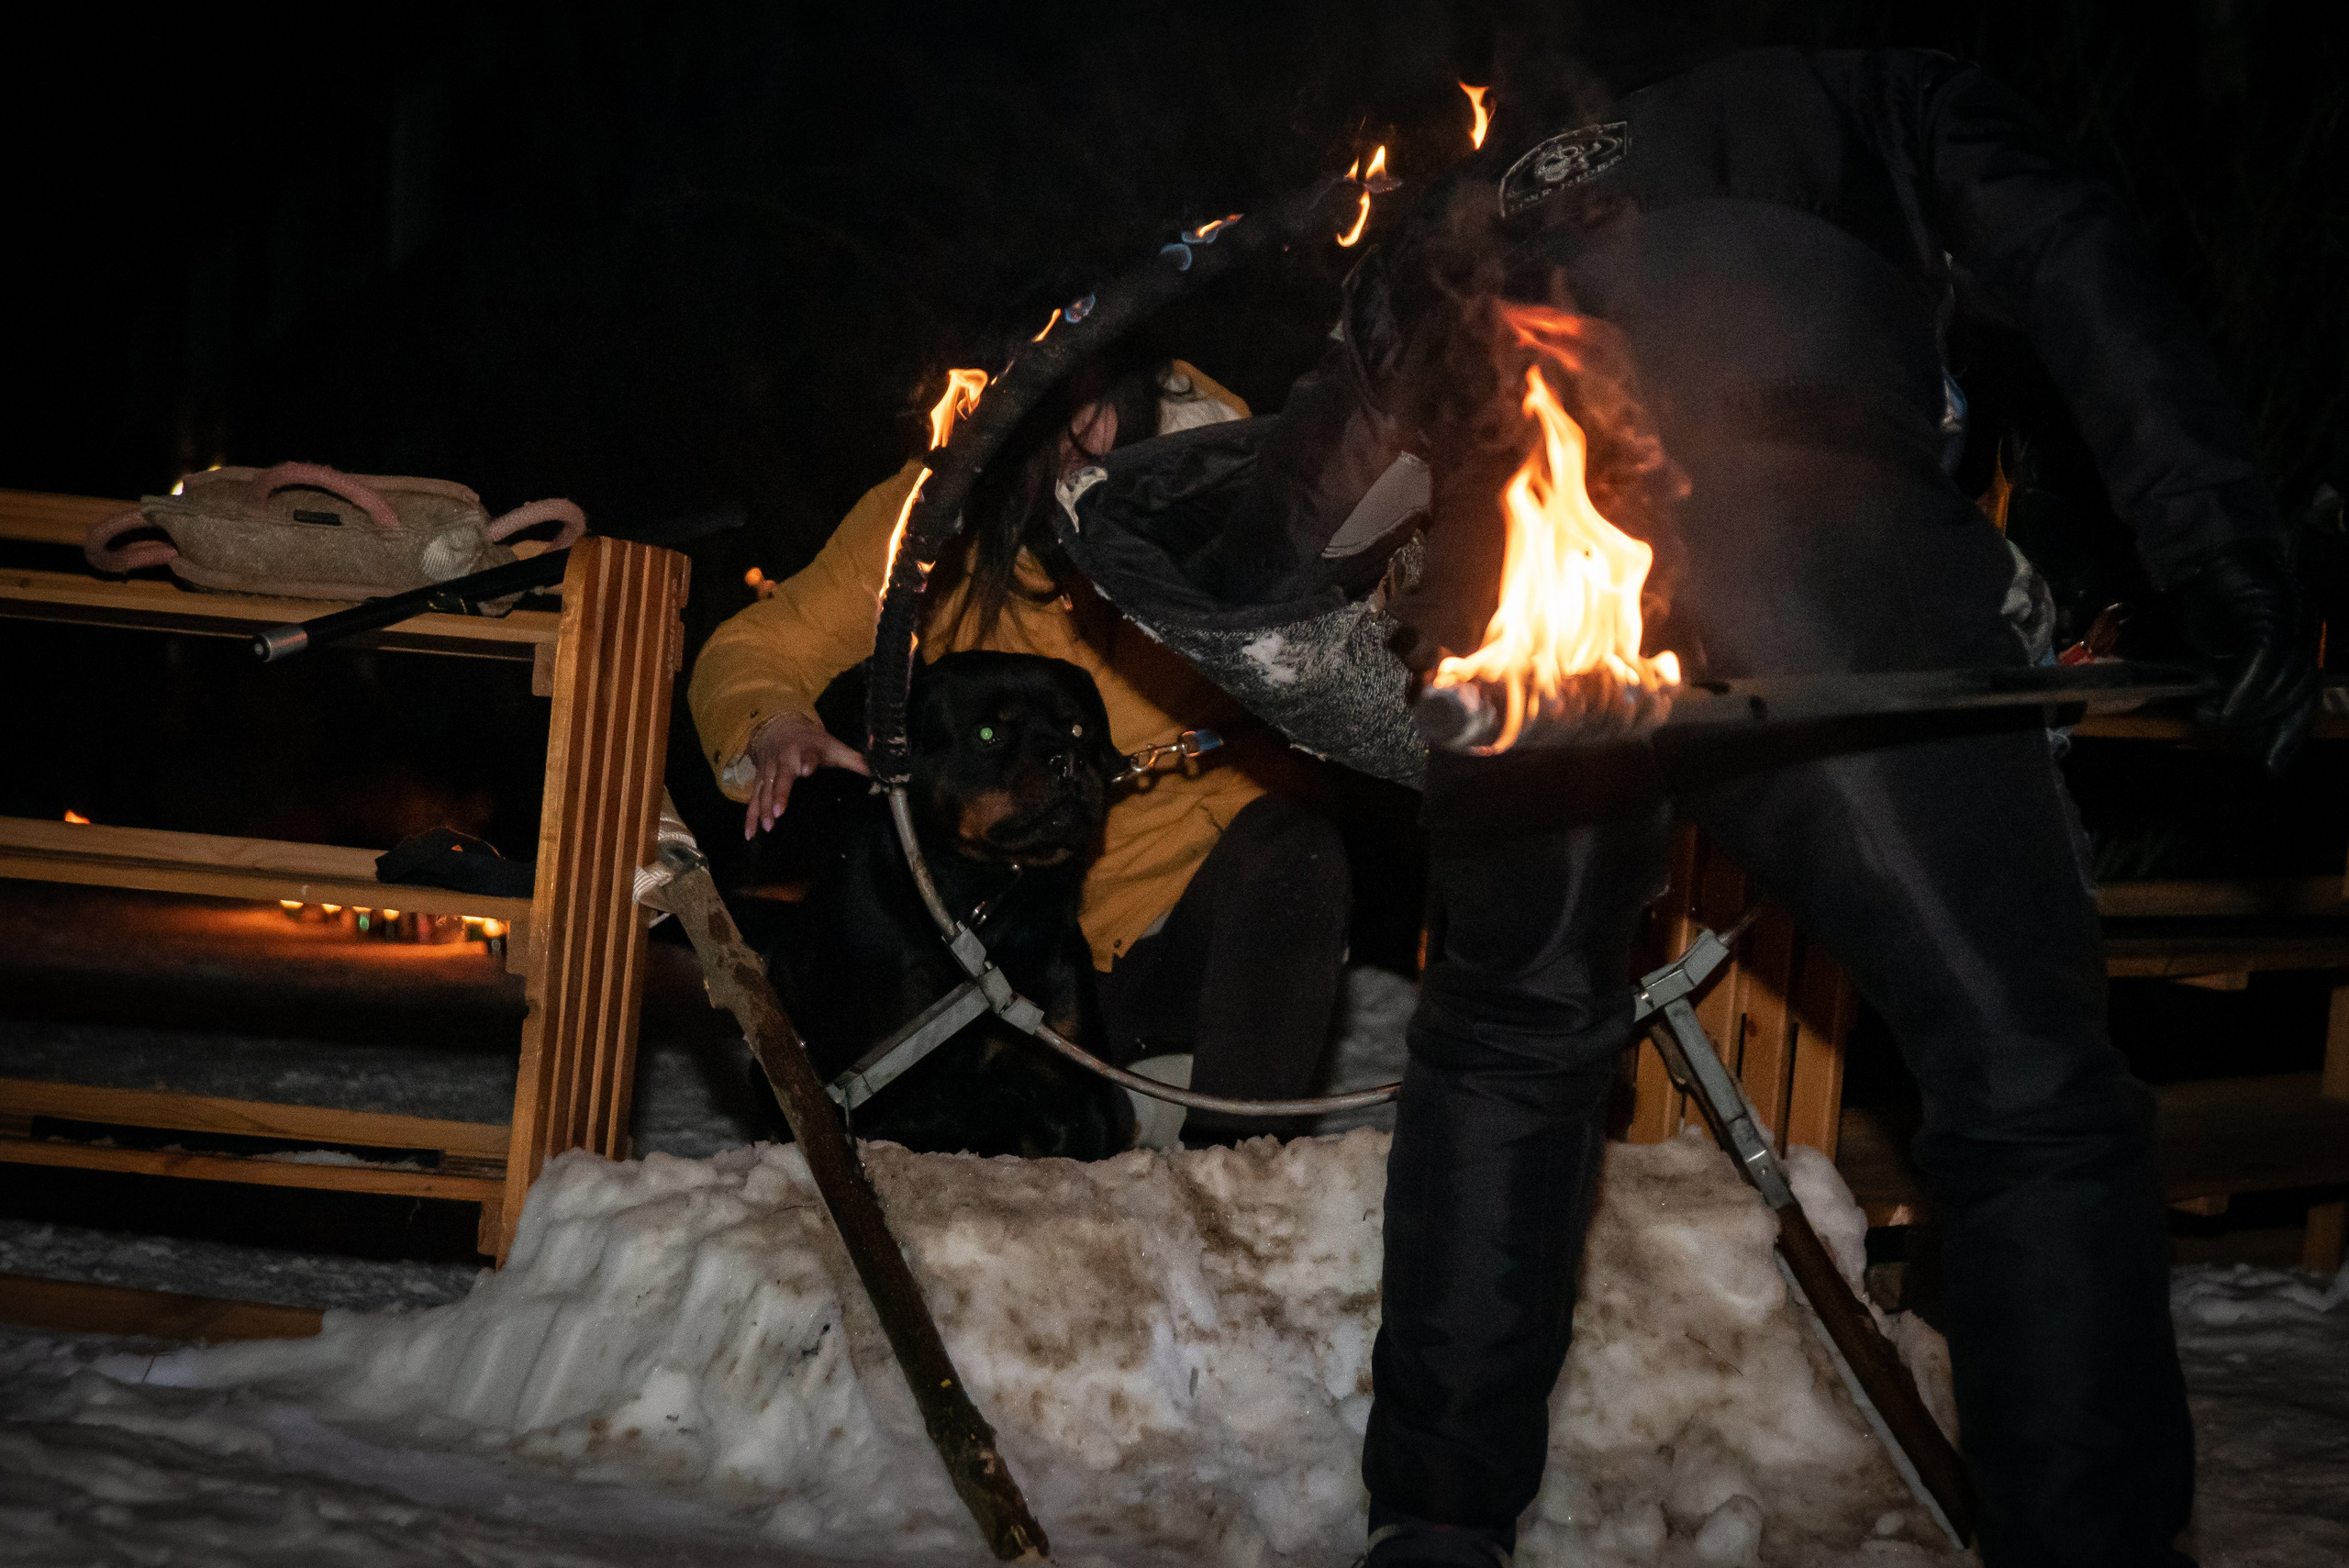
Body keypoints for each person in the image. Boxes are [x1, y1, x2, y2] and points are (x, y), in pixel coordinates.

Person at [1052, 8, 2314, 1564]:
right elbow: (2077, 260)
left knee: (1508, 1041)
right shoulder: (1871, 86)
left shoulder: (1467, 196)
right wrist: (2222, 545)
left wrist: (1136, 537)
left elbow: (1298, 512)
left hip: (1515, 584)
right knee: (2025, 1078)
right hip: (1813, 549)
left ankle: (1438, 1524)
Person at [687, 336, 1352, 1138]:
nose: (1085, 447)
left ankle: (1239, 1178)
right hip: (1001, 940)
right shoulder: (932, 516)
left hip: (1190, 920)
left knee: (1294, 849)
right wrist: (774, 724)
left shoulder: (1239, 487)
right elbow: (757, 646)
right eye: (1051, 418)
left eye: (1097, 410)